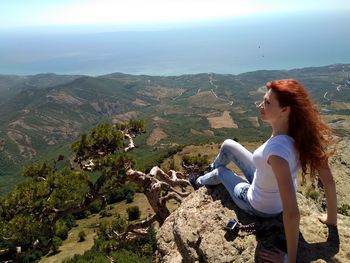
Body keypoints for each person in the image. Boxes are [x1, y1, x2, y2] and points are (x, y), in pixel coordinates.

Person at [189, 79, 337, 263]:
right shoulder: (301, 135)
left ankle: (198, 181)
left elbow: (292, 213)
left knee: (220, 172)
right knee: (228, 144)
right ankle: (210, 167)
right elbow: (329, 182)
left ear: (285, 110)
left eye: (267, 103)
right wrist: (331, 219)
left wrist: (288, 260)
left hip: (259, 205)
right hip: (265, 179)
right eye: (263, 100)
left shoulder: (277, 153)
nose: (260, 105)